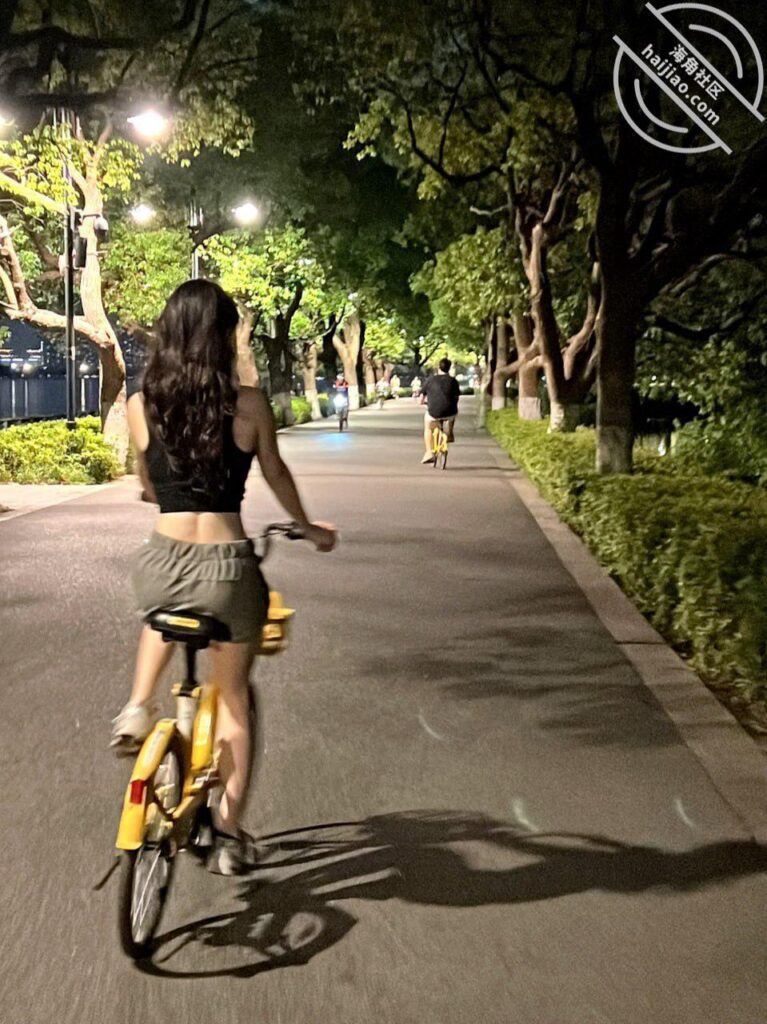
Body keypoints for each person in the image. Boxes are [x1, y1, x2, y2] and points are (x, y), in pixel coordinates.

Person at [114, 279, 337, 874]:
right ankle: (230, 834)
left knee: (156, 612)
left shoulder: (140, 403)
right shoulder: (250, 405)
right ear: (223, 337)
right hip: (227, 569)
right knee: (235, 701)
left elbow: (148, 484)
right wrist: (309, 528)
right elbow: (277, 474)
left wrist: (161, 491)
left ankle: (137, 706)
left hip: (160, 562)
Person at [420, 357, 460, 464]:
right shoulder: (453, 381)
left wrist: (425, 403)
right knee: (454, 413)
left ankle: (429, 452)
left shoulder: (430, 380)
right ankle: (450, 433)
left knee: (428, 427)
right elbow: (456, 398)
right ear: (449, 368)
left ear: (438, 367)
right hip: (450, 411)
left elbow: (421, 399)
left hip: (434, 412)